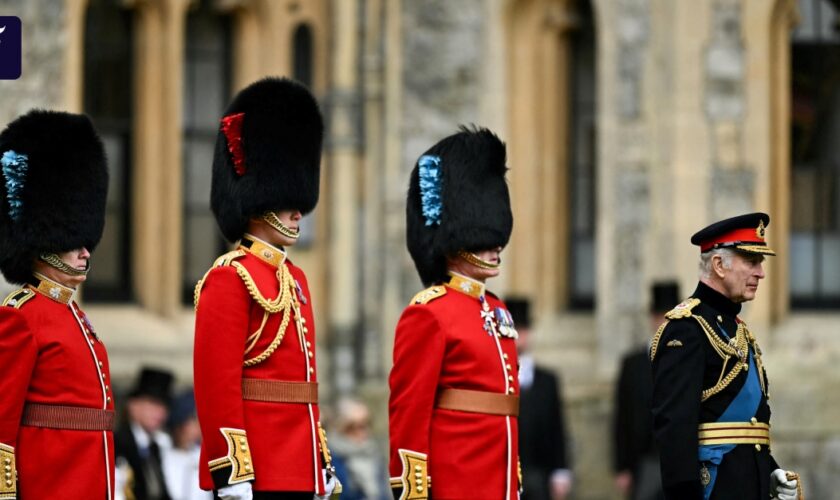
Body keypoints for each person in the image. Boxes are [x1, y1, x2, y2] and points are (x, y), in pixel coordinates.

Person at [193, 77, 338, 500]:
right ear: (258, 200)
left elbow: (305, 387)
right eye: (286, 202)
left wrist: (320, 461)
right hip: (258, 467)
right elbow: (215, 384)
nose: (298, 213)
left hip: (299, 466)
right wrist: (231, 468)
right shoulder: (230, 277)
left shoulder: (296, 278)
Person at [389, 127, 520, 499]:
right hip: (456, 480)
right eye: (484, 239)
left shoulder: (497, 310)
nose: (496, 248)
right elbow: (409, 411)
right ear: (455, 241)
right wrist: (413, 489)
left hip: (501, 479)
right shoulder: (429, 313)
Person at [0, 109, 113, 498]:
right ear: (46, 240)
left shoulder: (76, 318)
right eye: (74, 241)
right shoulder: (21, 317)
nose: (85, 252)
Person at [650, 213, 800, 500]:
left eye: (761, 263)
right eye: (751, 262)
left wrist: (770, 474)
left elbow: (746, 434)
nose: (761, 273)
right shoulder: (687, 329)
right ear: (719, 265)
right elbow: (675, 431)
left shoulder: (737, 332)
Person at [612, 282, 679, 500]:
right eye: (661, 316)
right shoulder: (632, 364)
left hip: (681, 460)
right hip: (643, 461)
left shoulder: (690, 360)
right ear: (652, 318)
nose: (664, 324)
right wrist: (622, 466)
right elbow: (621, 416)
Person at [508, 298, 572, 500]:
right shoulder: (493, 377)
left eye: (523, 329)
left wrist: (560, 470)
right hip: (505, 471)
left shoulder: (547, 380)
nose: (519, 336)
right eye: (514, 330)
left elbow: (557, 426)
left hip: (539, 471)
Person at [115, 366, 176, 500]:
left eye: (164, 406)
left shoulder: (154, 447)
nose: (160, 412)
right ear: (133, 405)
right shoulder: (117, 443)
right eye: (153, 403)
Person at [328, 398, 389, 500]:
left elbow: (383, 493)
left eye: (366, 424)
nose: (362, 431)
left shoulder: (373, 453)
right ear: (341, 427)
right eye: (354, 426)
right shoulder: (332, 458)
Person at [164, 389, 213, 500]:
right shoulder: (164, 453)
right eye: (194, 420)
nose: (199, 425)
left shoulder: (201, 454)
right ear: (181, 424)